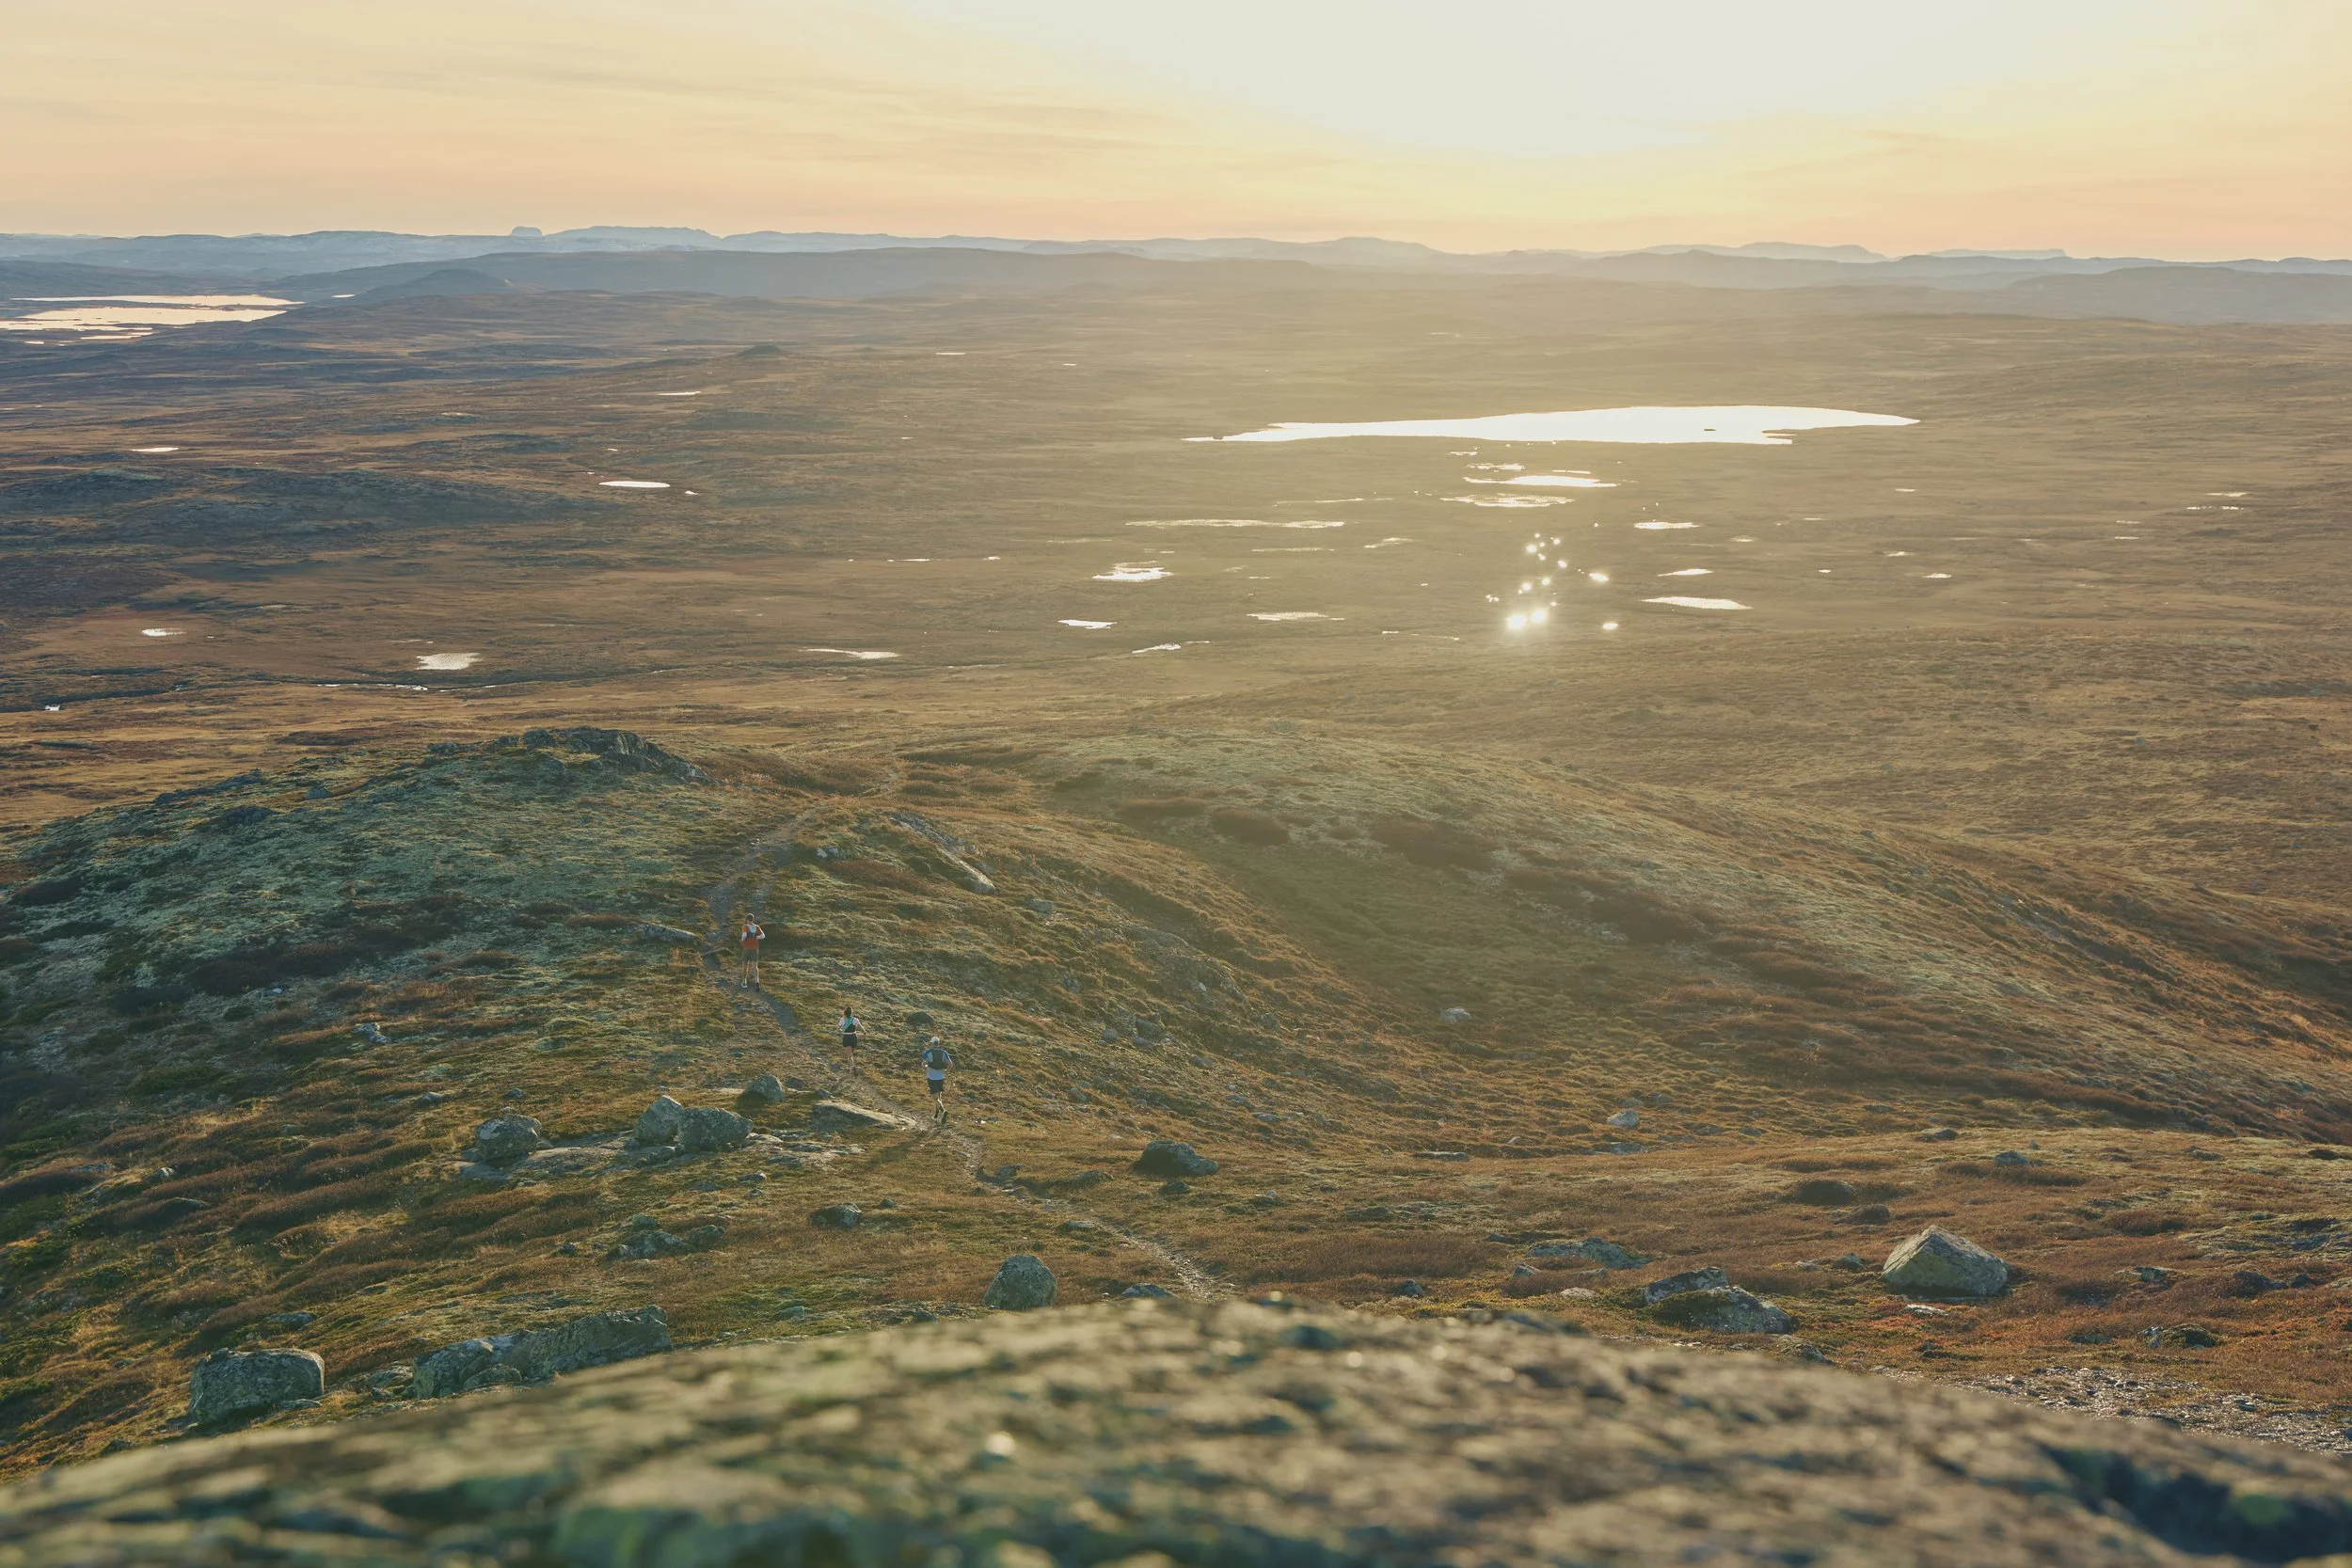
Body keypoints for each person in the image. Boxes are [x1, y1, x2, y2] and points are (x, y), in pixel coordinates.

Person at [920, 1036, 954, 1124]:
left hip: (931, 1077)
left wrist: (926, 1067)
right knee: (939, 1097)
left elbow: (923, 1064)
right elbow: (950, 1063)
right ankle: (936, 1115)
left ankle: (943, 1111)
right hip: (941, 1077)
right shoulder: (944, 1052)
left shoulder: (928, 1052)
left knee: (935, 1098)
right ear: (938, 1044)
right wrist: (947, 1071)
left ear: (932, 1043)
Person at [738, 918, 764, 989]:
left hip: (746, 949)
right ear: (753, 919)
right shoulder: (757, 927)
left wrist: (742, 941)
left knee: (745, 966)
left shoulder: (745, 927)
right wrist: (756, 937)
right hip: (755, 949)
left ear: (746, 919)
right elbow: (763, 936)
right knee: (755, 966)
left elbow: (744, 935)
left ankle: (744, 982)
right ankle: (757, 981)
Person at [838, 1006, 863, 1074]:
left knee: (849, 1055)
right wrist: (864, 1033)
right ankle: (848, 1068)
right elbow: (861, 1027)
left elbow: (839, 1028)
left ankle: (852, 1067)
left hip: (846, 1037)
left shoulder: (842, 1019)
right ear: (852, 1013)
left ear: (845, 1012)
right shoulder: (855, 1019)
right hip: (854, 1037)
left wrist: (842, 1030)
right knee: (851, 1054)